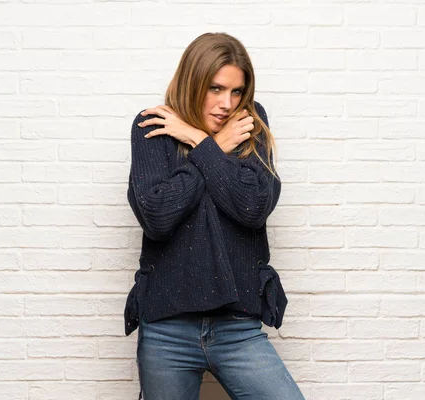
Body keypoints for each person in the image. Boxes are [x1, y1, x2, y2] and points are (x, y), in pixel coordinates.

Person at [124, 32, 305, 400]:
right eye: (216, 89)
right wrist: (217, 149)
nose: (227, 103)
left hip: (237, 327)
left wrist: (201, 143)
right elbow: (158, 217)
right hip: (167, 329)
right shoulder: (152, 128)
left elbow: (252, 207)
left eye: (237, 92)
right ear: (192, 81)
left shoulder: (251, 124)